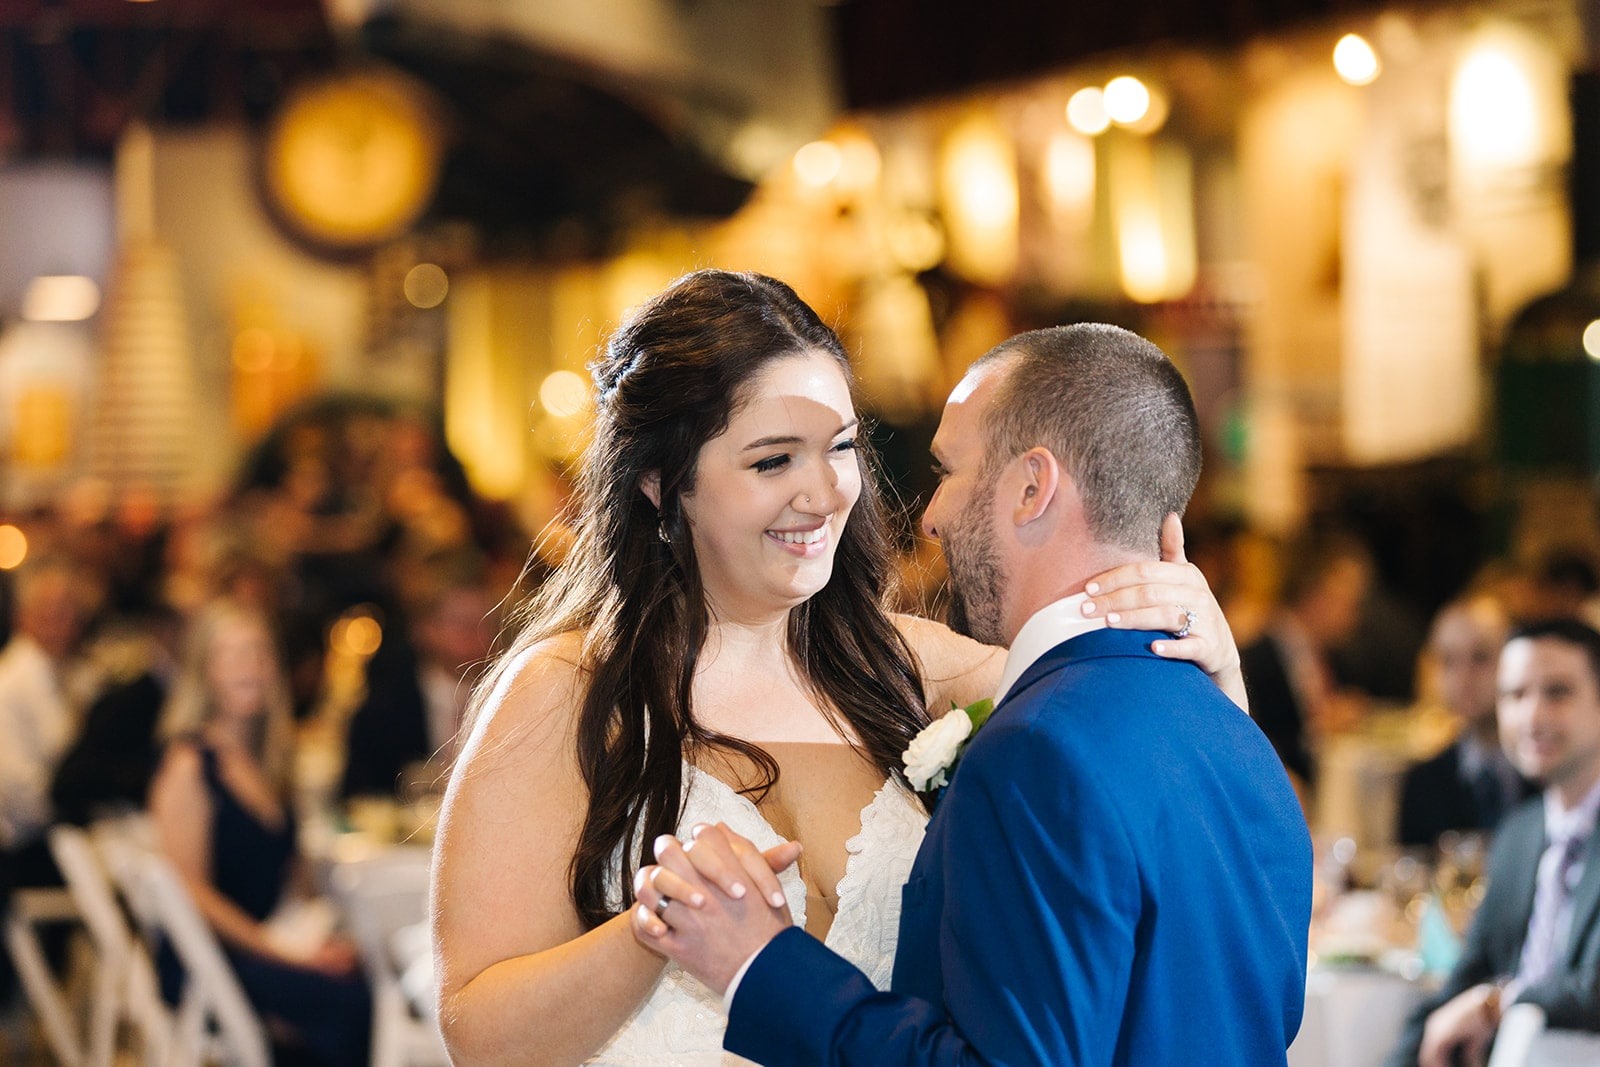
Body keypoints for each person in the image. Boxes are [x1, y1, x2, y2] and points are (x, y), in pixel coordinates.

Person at [430, 272, 1247, 1065]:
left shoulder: (914, 670)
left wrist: (1213, 660)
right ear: (659, 481)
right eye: (772, 461)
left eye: (842, 447)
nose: (823, 493)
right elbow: (477, 1030)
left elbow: (1177, 814)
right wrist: (654, 926)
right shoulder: (567, 692)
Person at [632, 323, 1312, 1065]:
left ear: (1030, 487)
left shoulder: (1036, 750)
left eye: (949, 470)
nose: (930, 515)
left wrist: (761, 964)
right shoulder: (1238, 737)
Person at [147, 600, 370, 1066]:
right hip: (208, 957)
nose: (248, 667)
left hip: (263, 941)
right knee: (349, 1005)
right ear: (204, 671)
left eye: (258, 653)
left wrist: (319, 935)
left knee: (367, 977)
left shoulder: (269, 761)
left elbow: (295, 877)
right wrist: (283, 952)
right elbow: (192, 893)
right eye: (230, 656)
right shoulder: (190, 763)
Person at [1387, 619, 1600, 1067]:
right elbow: (1465, 980)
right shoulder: (1520, 835)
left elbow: (1593, 989)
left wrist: (1497, 1003)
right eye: (1515, 695)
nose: (1533, 716)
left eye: (1557, 692)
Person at [339, 560, 495, 799]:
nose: (472, 634)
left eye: (483, 621)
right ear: (424, 629)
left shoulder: (511, 701)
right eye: (458, 622)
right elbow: (360, 799)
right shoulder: (384, 707)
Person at [1241, 529, 1374, 788]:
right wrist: (1315, 731)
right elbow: (1256, 738)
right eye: (1347, 604)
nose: (1353, 617)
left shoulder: (1329, 655)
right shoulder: (1257, 659)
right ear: (1315, 596)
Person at [1397, 596, 1532, 848]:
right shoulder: (1424, 782)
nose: (1463, 677)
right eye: (1448, 660)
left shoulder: (1551, 774)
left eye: (1480, 657)